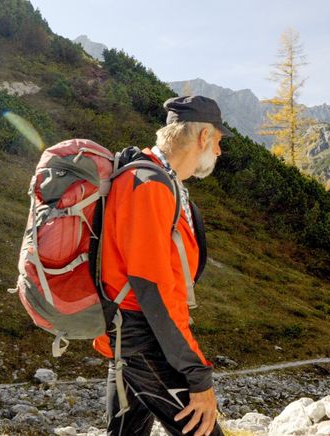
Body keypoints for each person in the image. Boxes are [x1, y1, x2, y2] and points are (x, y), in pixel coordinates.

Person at [93, 95, 233, 436]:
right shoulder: (149, 186)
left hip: (128, 333)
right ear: (202, 137)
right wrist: (197, 375)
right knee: (203, 431)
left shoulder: (163, 182)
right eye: (217, 141)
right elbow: (151, 288)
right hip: (142, 337)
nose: (218, 151)